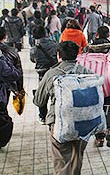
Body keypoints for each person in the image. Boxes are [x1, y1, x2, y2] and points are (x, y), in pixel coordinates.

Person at [33, 41, 93, 175]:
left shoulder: (51, 74)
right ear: (77, 54)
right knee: (77, 157)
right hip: (81, 123)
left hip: (59, 123)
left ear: (59, 55)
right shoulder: (86, 72)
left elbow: (39, 101)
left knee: (61, 160)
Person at [85, 26, 110, 148]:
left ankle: (99, 138)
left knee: (97, 109)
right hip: (109, 81)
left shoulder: (90, 48)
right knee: (109, 107)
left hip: (95, 82)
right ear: (108, 35)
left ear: (97, 34)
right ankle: (109, 129)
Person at [30, 25, 58, 124]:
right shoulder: (54, 44)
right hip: (54, 72)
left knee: (42, 93)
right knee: (56, 93)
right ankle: (55, 114)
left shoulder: (34, 48)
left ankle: (43, 116)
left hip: (42, 73)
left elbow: (32, 59)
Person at [0, 27, 23, 105]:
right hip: (7, 84)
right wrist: (19, 89)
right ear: (5, 36)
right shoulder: (12, 51)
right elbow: (18, 72)